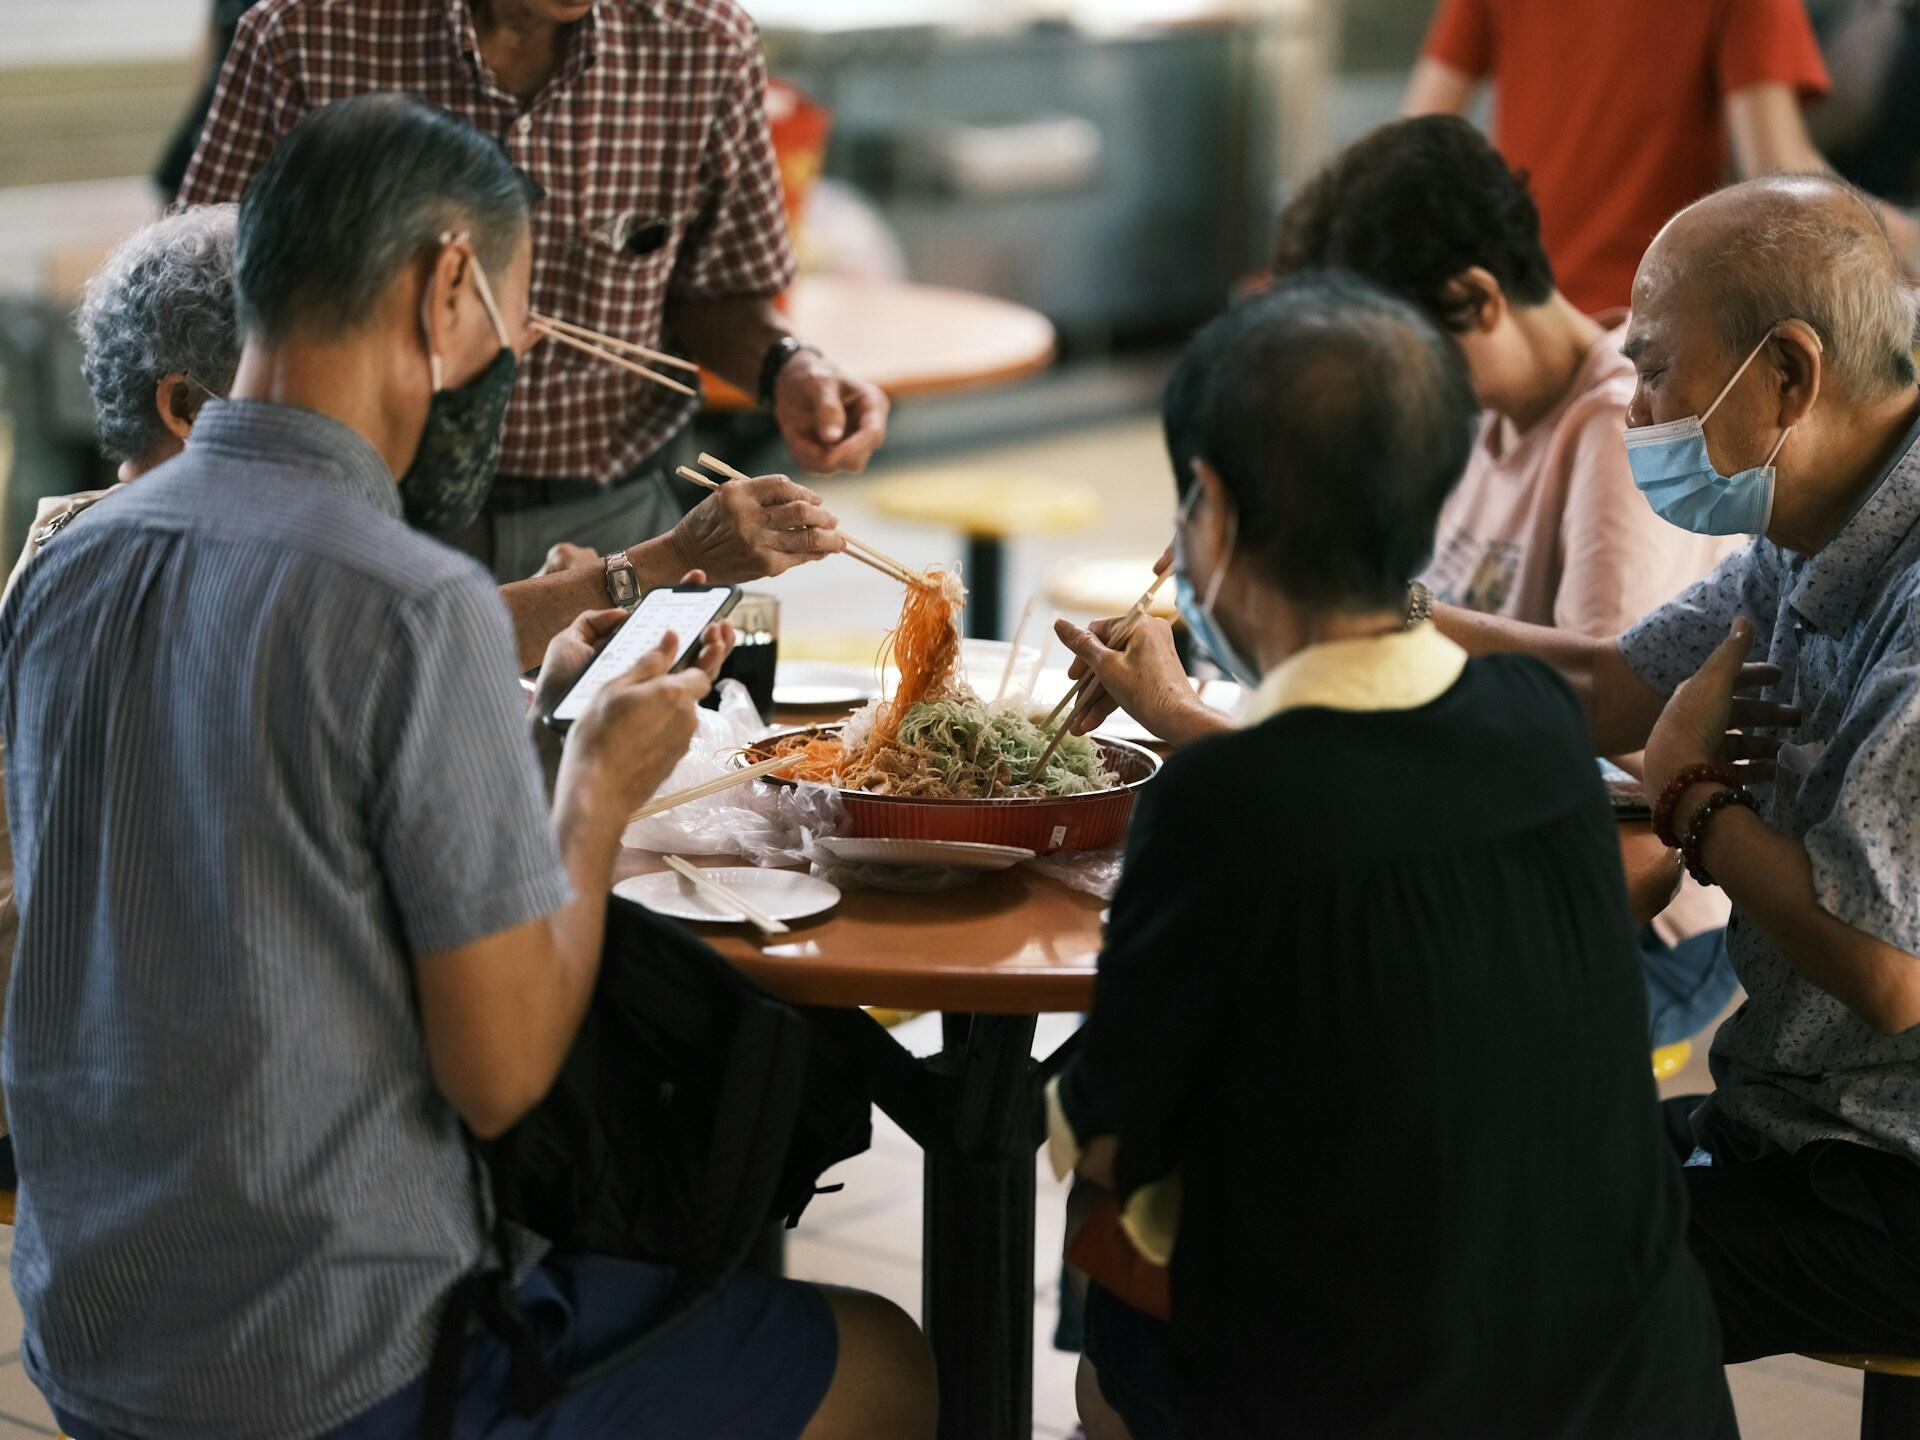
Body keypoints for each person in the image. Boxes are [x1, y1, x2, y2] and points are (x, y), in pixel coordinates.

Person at [0, 92, 934, 1440]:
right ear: (446, 287)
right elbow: (501, 1073)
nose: (508, 363)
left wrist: (534, 719)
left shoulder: (70, 564)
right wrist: (596, 790)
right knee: (891, 1363)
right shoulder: (408, 599)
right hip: (335, 1368)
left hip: (94, 1328)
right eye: (513, 322)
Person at [1048, 272, 1735, 1439]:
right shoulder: (1530, 717)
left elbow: (1113, 1130)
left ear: (1206, 508)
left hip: (1366, 1398)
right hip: (1632, 1387)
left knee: (1114, 1320)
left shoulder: (1225, 798)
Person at [1422, 172, 1920, 1364]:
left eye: (1654, 367)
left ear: (1787, 376)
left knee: (1480, 1292)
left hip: (1884, 1185)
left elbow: (1891, 969)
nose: (1634, 403)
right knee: (1436, 1175)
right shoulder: (1819, 524)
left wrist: (1697, 804)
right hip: (1794, 1121)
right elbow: (1612, 689)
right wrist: (1363, 615)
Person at [1269, 114, 1741, 1045]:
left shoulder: (1611, 432)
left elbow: (1596, 739)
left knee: (1327, 1017)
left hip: (1637, 917)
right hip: (1516, 853)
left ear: (1475, 298)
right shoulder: (1489, 420)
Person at [177, 0, 891, 581]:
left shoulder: (702, 40)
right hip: (365, 515)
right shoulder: (305, 32)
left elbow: (725, 290)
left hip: (612, 512)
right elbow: (198, 290)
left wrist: (787, 365)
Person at [1403, 0, 1920, 314]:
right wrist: (1909, 243)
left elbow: (1415, 144)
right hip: (1650, 334)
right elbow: (1779, 174)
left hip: (1520, 321)